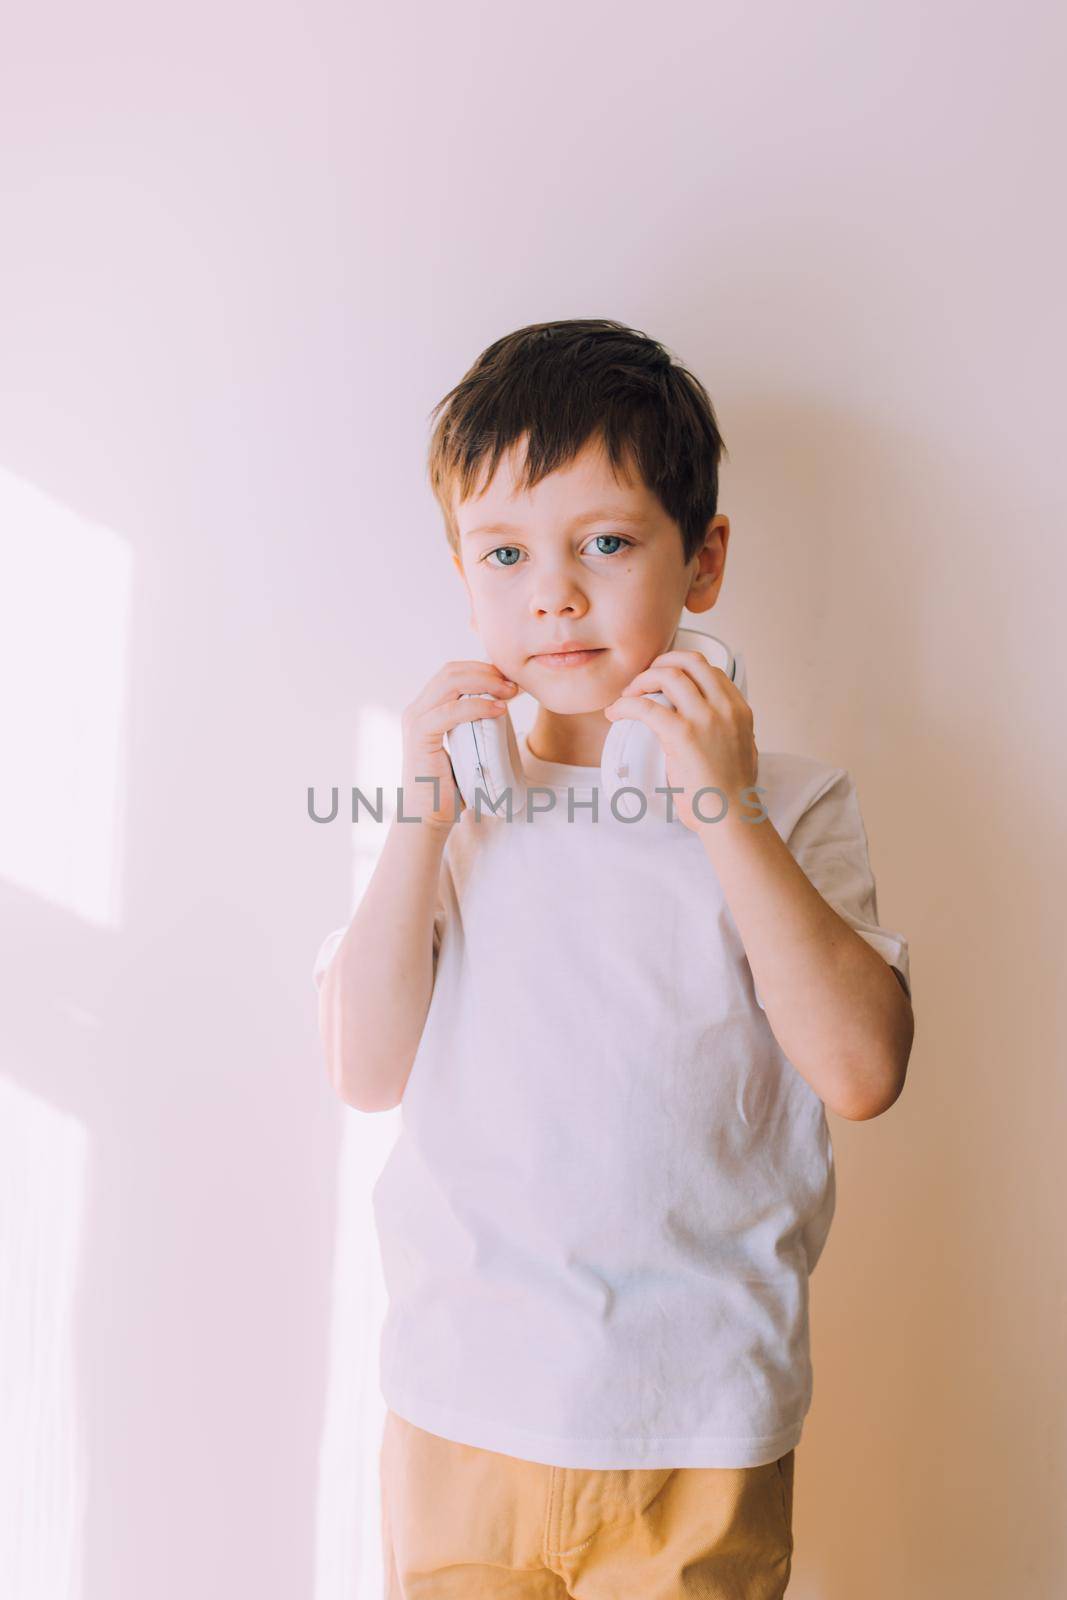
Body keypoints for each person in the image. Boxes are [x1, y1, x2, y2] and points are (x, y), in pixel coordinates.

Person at [313, 318, 914, 1597]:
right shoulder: (449, 809)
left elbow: (861, 1069)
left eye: (604, 542)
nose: (554, 593)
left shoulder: (792, 806)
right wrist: (416, 819)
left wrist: (725, 811)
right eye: (505, 553)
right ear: (464, 576)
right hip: (459, 1412)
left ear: (701, 565)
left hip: (693, 1425)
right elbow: (363, 1070)